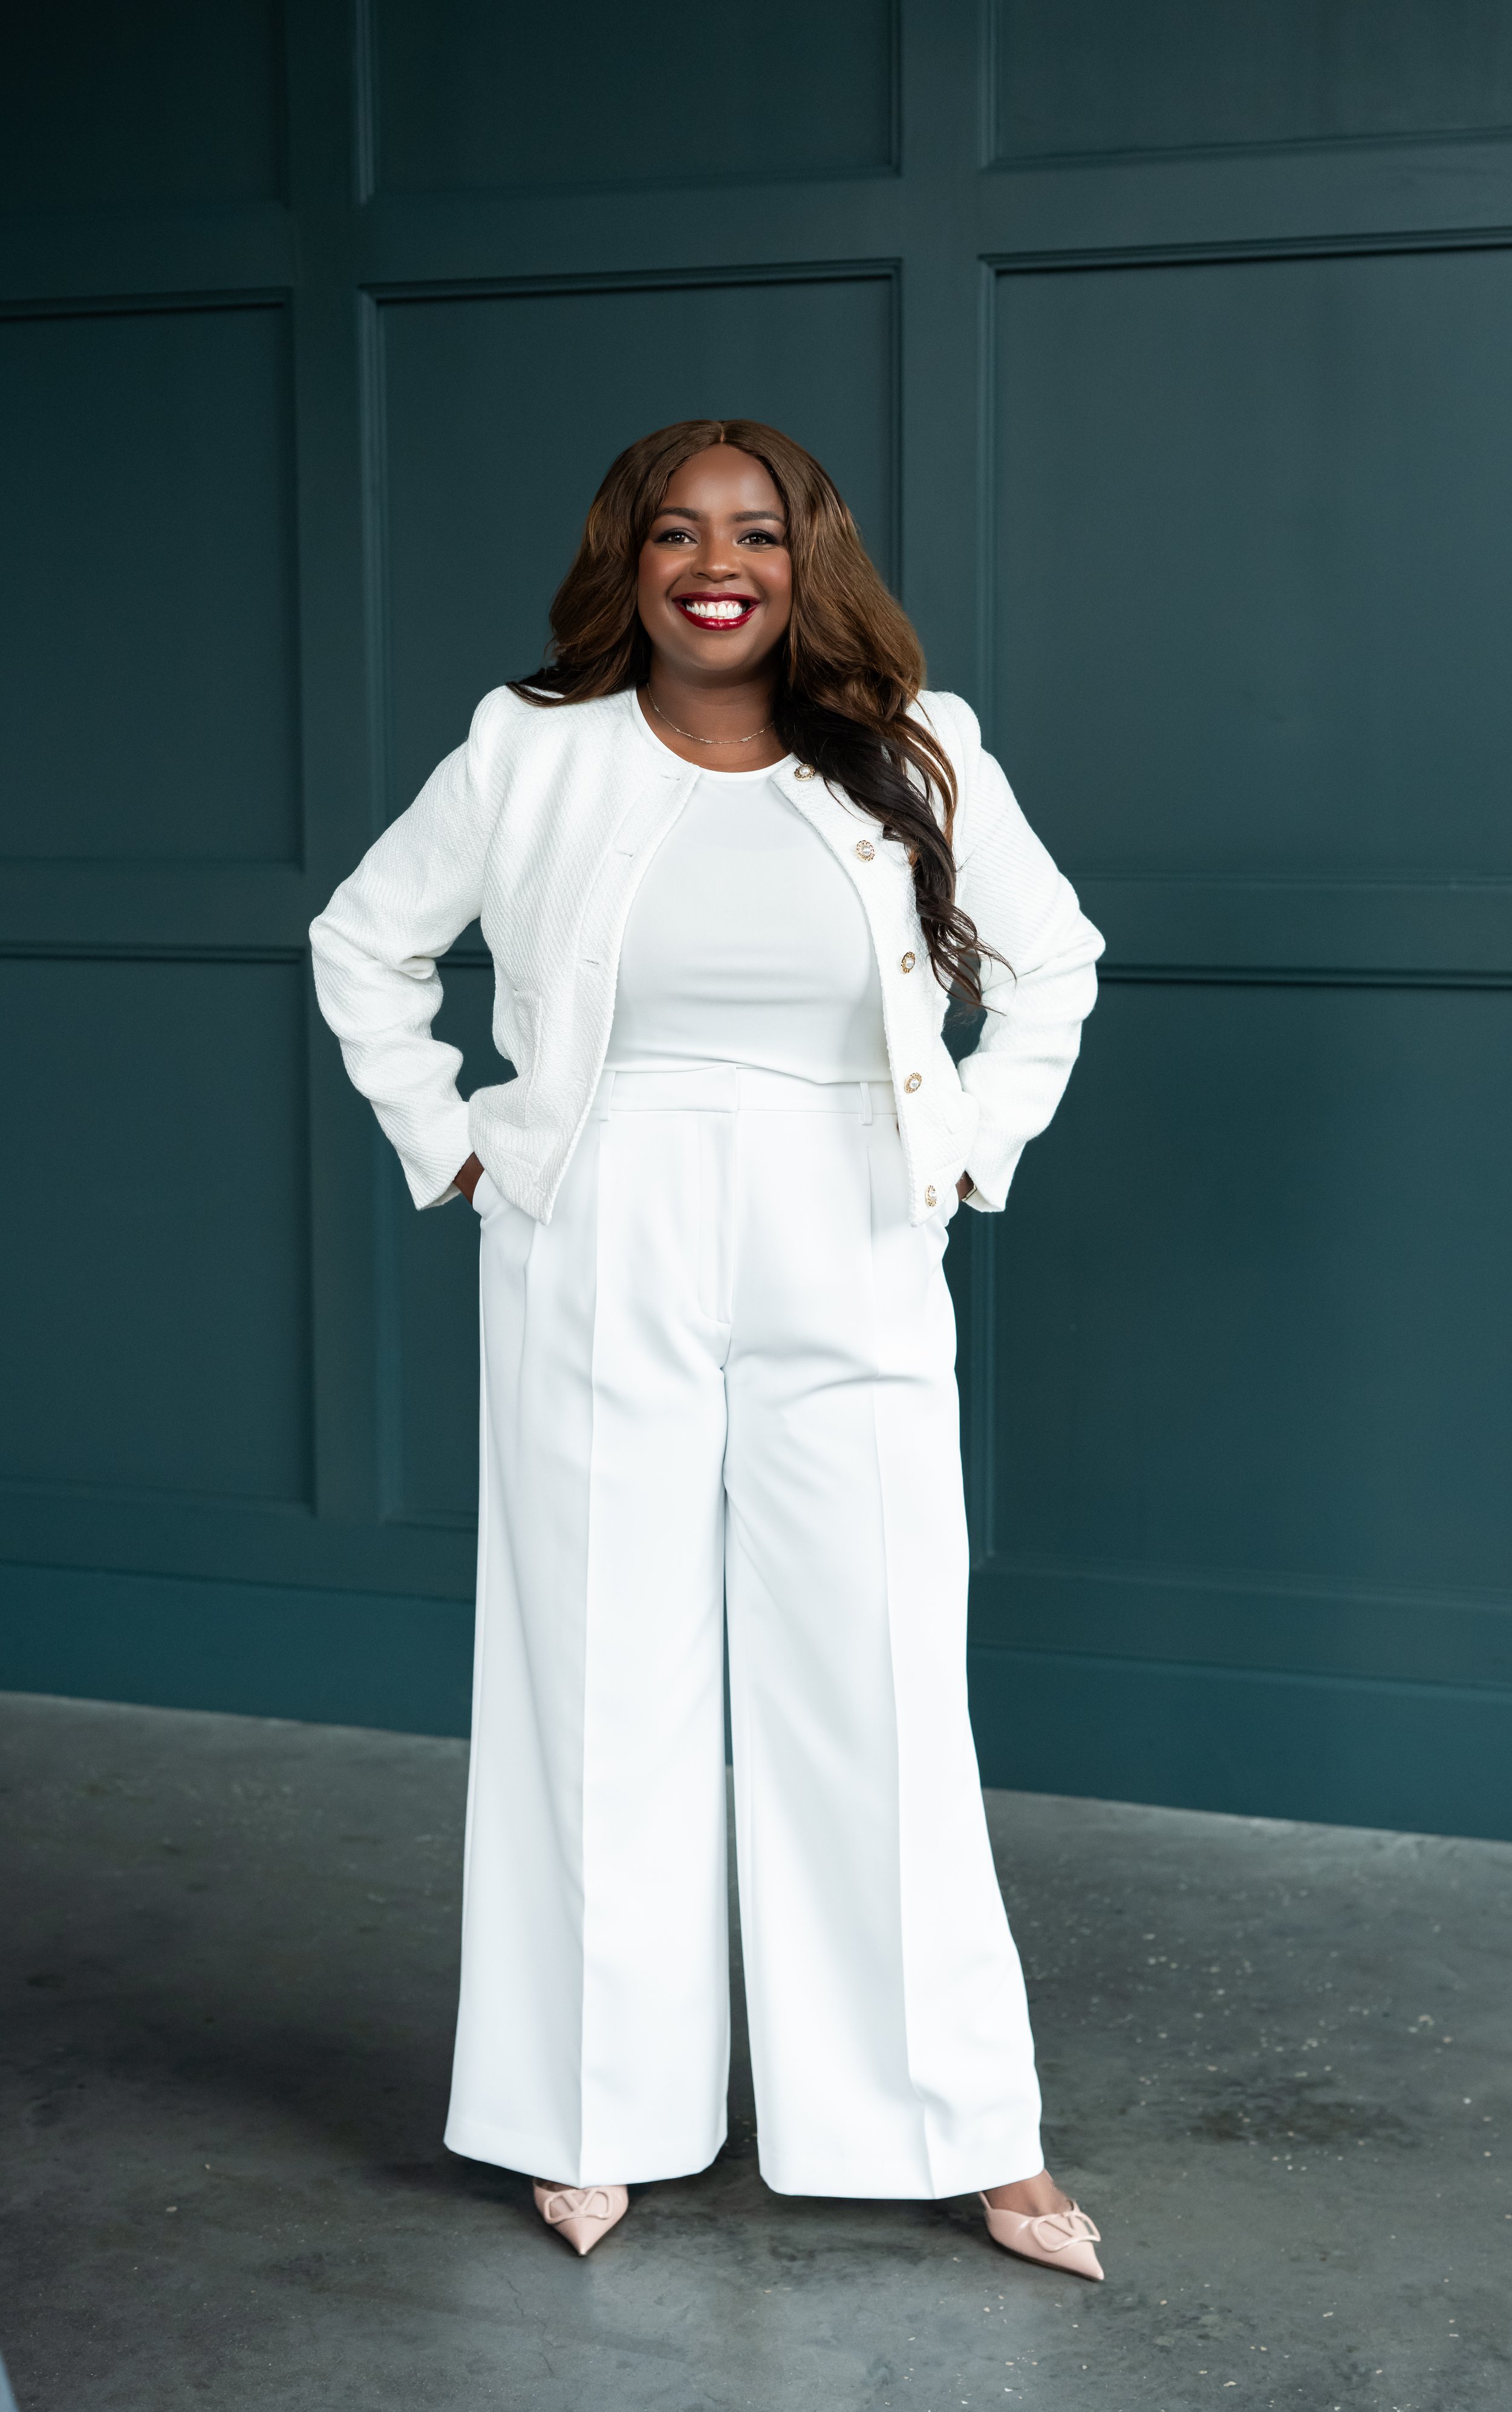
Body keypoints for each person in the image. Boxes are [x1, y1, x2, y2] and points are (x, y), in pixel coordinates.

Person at [310, 419, 1106, 2278]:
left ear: (805, 555)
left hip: (849, 1214)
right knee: (596, 1672)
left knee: (887, 1672)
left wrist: (968, 1148)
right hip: (601, 1219)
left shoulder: (923, 748)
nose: (711, 561)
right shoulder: (532, 747)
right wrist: (458, 1134)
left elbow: (1052, 962)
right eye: (673, 533)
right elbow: (364, 943)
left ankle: (962, 2123)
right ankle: (585, 2110)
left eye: (751, 531)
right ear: (630, 562)